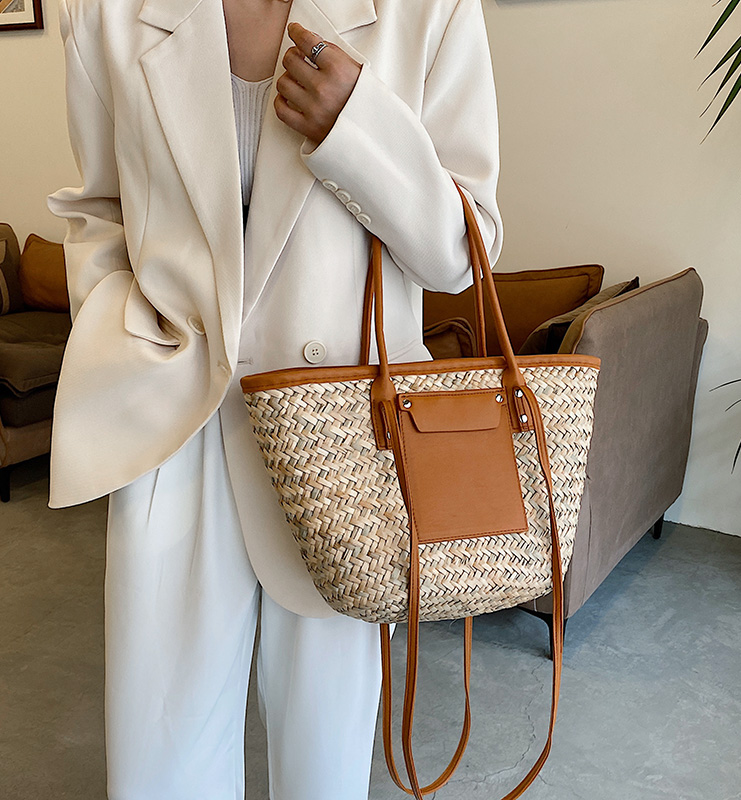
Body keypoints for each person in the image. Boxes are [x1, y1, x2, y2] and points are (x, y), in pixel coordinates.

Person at [46, 0, 503, 797]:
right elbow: (98, 210)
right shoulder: (104, 11)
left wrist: (357, 128)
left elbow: (465, 250)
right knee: (162, 760)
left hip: (341, 443)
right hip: (174, 422)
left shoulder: (430, 9)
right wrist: (122, 324)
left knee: (323, 768)